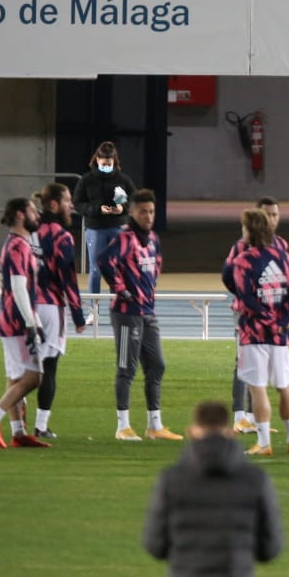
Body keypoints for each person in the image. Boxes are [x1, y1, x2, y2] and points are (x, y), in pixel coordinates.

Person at [143, 401, 284, 577]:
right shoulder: (254, 480)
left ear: (193, 430)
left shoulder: (172, 480)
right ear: (229, 430)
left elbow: (155, 545)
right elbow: (270, 549)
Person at [98, 189, 182, 442]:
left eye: (152, 211)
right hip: (127, 314)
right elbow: (104, 260)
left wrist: (148, 289)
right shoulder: (126, 238)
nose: (148, 216)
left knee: (157, 365)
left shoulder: (153, 238)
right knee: (126, 369)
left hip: (147, 312)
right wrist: (122, 290)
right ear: (132, 212)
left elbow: (156, 264)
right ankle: (122, 426)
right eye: (143, 211)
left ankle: (154, 425)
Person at [230, 209, 289, 458]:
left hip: (254, 334)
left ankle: (264, 443)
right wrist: (282, 319)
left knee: (258, 389)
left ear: (250, 231)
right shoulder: (284, 258)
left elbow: (246, 296)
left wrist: (267, 319)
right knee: (285, 387)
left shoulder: (243, 260)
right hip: (280, 334)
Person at [0, 198, 52, 449]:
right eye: (32, 210)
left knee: (15, 377)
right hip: (17, 323)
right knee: (33, 378)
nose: (37, 215)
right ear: (20, 215)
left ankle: (18, 433)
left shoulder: (15, 244)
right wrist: (32, 323)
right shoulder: (19, 247)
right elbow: (19, 287)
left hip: (9, 320)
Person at [222, 197, 285, 436]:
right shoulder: (242, 246)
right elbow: (227, 275)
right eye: (267, 214)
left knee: (262, 365)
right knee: (243, 361)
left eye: (275, 215)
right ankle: (239, 416)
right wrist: (243, 296)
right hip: (246, 314)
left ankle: (252, 417)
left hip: (270, 315)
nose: (272, 219)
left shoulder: (279, 245)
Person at [30, 182, 87, 439]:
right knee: (49, 368)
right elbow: (68, 279)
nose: (71, 205)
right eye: (67, 201)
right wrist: (77, 315)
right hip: (50, 306)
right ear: (53, 204)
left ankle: (14, 427)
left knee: (21, 371)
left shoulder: (27, 232)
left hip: (23, 306)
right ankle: (41, 426)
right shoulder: (62, 237)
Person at [73, 140, 136, 295]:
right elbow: (78, 203)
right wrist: (97, 210)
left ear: (114, 161)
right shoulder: (87, 180)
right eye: (104, 163)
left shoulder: (123, 179)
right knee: (95, 269)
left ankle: (118, 306)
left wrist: (123, 208)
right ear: (97, 160)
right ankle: (94, 310)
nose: (107, 166)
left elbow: (135, 199)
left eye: (110, 163)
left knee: (117, 268)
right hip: (95, 229)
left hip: (118, 227)